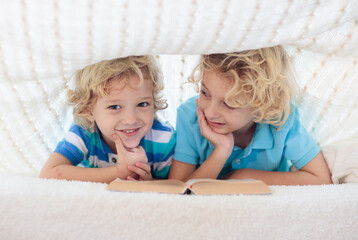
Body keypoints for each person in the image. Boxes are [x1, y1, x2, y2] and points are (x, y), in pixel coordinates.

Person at [169, 46, 332, 185]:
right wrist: (221, 151)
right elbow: (179, 190)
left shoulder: (280, 118)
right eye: (205, 92)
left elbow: (321, 178)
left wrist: (242, 176)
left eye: (229, 103)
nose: (209, 112)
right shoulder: (190, 115)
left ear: (262, 104)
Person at [40, 56, 176, 183]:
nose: (130, 119)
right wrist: (119, 172)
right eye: (115, 107)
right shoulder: (85, 132)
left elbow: (178, 187)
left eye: (142, 104)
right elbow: (49, 173)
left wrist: (148, 183)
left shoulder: (164, 138)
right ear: (88, 110)